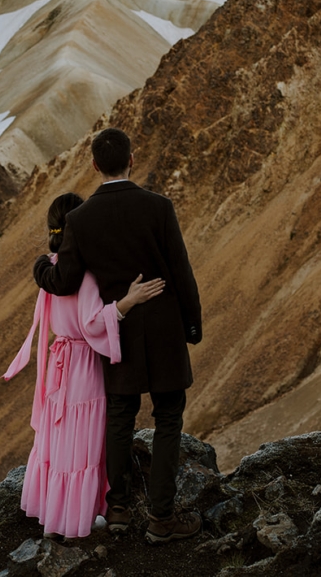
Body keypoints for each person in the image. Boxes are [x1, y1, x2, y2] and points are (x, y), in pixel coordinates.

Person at [33, 128, 204, 545]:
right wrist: (192, 325)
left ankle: (119, 508)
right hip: (164, 329)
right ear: (133, 157)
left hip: (118, 336)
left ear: (94, 165)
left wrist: (40, 268)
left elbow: (65, 279)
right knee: (168, 418)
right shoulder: (159, 207)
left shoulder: (80, 219)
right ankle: (162, 518)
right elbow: (180, 270)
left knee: (120, 417)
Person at [4, 192, 164, 540]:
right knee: (83, 439)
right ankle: (77, 515)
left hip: (59, 362)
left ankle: (53, 510)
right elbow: (92, 324)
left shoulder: (51, 266)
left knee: (59, 436)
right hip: (82, 364)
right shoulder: (87, 275)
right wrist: (128, 302)